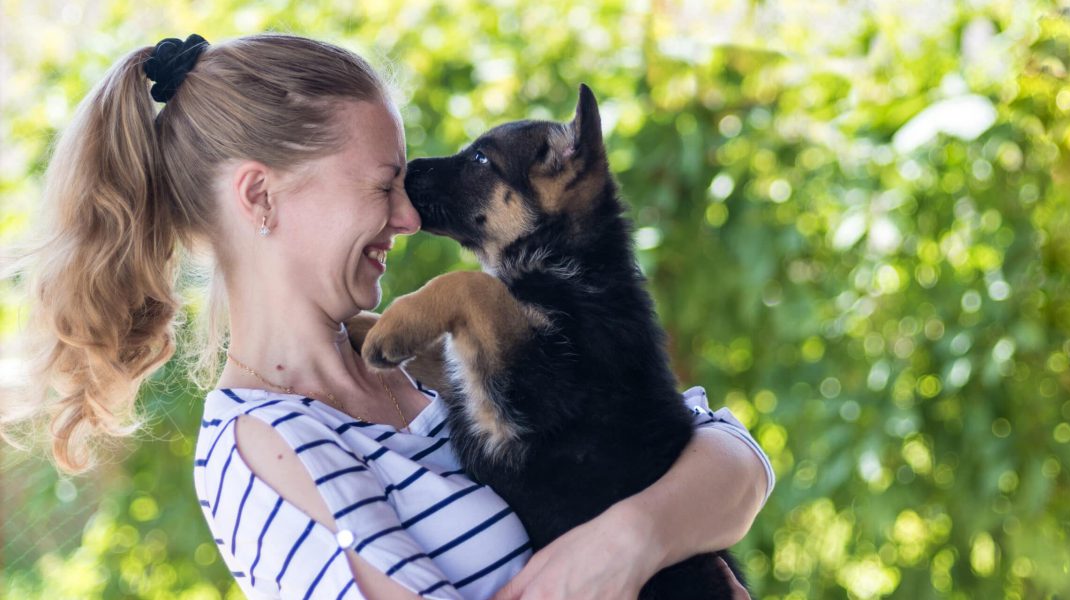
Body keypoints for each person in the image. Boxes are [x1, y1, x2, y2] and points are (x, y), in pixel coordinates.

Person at [3, 32, 774, 599]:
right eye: (382, 188)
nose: (409, 218)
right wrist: (669, 526)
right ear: (259, 196)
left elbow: (729, 455)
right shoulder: (266, 449)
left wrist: (626, 542)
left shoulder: (420, 353)